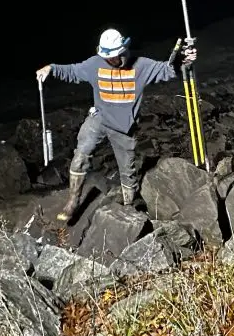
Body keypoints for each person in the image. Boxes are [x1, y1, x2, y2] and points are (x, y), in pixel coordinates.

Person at [36, 28, 196, 222]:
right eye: (107, 57)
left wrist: (184, 61)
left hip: (124, 128)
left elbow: (168, 69)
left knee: (128, 174)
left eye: (113, 56)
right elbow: (73, 71)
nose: (110, 60)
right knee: (80, 156)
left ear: (123, 50)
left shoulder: (141, 66)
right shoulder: (95, 64)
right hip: (100, 118)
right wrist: (51, 68)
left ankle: (128, 209)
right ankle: (73, 201)